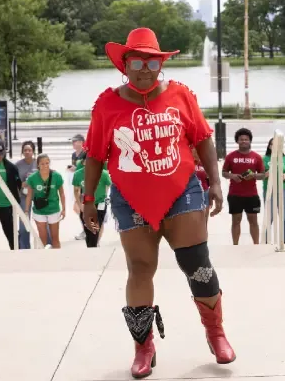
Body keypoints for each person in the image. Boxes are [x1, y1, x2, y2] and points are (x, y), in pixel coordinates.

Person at [80, 28, 235, 379]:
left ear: (160, 63)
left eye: (152, 61)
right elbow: (94, 156)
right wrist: (88, 200)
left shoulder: (181, 95)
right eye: (137, 61)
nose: (145, 69)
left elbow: (204, 139)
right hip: (130, 197)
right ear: (125, 65)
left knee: (197, 263)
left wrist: (215, 182)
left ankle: (216, 332)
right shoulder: (107, 104)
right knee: (140, 268)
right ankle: (143, 346)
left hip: (182, 192)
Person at [222, 128, 265, 245]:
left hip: (251, 195)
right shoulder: (230, 156)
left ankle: (256, 244)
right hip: (235, 194)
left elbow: (263, 175)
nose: (244, 141)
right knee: (236, 221)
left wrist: (253, 176)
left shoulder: (256, 157)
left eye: (246, 139)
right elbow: (224, 172)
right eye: (241, 139)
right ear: (237, 141)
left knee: (253, 221)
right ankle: (235, 245)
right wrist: (233, 176)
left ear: (250, 141)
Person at [25, 154, 66, 249]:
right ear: (38, 165)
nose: (45, 166)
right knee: (42, 238)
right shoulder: (32, 178)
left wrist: (64, 209)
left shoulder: (56, 176)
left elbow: (62, 194)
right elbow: (29, 195)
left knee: (55, 238)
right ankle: (42, 259)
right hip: (39, 210)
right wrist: (26, 210)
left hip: (53, 209)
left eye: (47, 163)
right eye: (42, 164)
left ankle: (57, 258)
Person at [15, 141, 48, 249]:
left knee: (43, 220)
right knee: (24, 221)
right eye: (25, 150)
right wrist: (22, 184)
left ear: (33, 151)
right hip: (24, 196)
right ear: (22, 152)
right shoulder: (18, 165)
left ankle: (47, 243)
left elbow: (46, 176)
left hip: (38, 195)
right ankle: (24, 246)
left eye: (29, 150)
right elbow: (14, 182)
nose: (27, 152)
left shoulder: (38, 163)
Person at [73, 160, 111, 247]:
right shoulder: (78, 174)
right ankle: (92, 248)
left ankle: (94, 247)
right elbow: (76, 190)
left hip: (100, 204)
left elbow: (108, 184)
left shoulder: (103, 173)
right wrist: (79, 204)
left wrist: (103, 195)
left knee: (95, 230)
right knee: (89, 232)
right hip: (86, 204)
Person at [263, 137, 285, 243]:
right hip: (269, 189)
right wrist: (266, 174)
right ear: (269, 146)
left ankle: (284, 240)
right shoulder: (264, 159)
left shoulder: (284, 158)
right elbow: (261, 175)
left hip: (282, 189)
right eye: (272, 145)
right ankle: (266, 239)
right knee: (269, 217)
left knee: (283, 217)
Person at [68, 134, 88, 241]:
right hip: (77, 184)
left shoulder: (85, 153)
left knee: (81, 208)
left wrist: (76, 169)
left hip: (84, 184)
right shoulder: (74, 155)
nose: (73, 144)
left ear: (81, 142)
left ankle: (87, 229)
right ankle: (86, 228)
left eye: (75, 141)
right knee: (78, 208)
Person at [193, 147, 211, 221]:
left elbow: (210, 180)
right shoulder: (189, 163)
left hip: (205, 192)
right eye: (195, 151)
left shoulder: (205, 163)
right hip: (192, 193)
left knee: (205, 217)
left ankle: (205, 232)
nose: (196, 153)